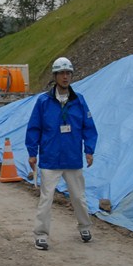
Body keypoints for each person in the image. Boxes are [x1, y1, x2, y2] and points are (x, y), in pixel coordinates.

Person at [25, 56, 97, 250]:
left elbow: (88, 128)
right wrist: (32, 153)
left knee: (79, 198)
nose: (65, 77)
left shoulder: (79, 101)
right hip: (50, 159)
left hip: (73, 159)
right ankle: (41, 235)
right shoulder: (43, 102)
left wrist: (89, 150)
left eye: (68, 73)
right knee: (46, 199)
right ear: (55, 76)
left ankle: (84, 227)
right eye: (61, 73)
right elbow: (34, 128)